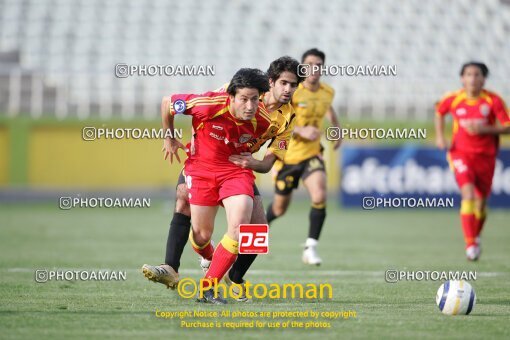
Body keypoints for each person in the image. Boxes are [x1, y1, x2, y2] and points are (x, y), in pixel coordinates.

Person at [142, 57, 303, 301]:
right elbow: (196, 109)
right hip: (204, 159)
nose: (288, 90)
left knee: (257, 231)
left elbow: (270, 161)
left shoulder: (285, 118)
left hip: (238, 167)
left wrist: (253, 163)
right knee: (188, 211)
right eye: (284, 83)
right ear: (270, 83)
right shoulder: (231, 91)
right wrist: (172, 137)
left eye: (294, 85)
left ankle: (231, 278)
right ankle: (180, 265)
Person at [265, 48, 341, 265]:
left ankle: (310, 248)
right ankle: (259, 230)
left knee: (319, 195)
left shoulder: (327, 92)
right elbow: (279, 118)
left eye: (318, 65)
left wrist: (337, 130)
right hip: (287, 157)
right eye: (308, 65)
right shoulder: (293, 91)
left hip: (312, 154)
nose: (313, 69)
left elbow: (328, 109)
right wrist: (301, 131)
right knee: (279, 208)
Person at [435, 61, 510, 261]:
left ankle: (475, 237)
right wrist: (441, 137)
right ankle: (470, 245)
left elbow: (507, 126)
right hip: (460, 154)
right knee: (467, 194)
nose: (473, 78)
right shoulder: (453, 98)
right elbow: (439, 112)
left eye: (477, 75)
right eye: (468, 74)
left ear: (484, 79)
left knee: (481, 204)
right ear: (462, 78)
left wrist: (485, 129)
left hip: (486, 157)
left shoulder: (493, 100)